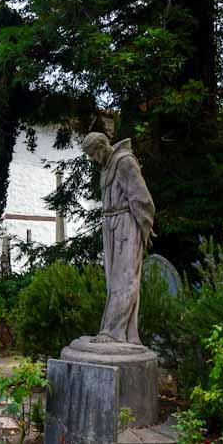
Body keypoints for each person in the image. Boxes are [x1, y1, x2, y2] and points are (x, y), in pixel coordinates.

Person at [82, 133, 155, 345]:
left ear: (103, 146)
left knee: (126, 278)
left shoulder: (125, 162)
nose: (93, 159)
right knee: (114, 282)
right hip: (110, 225)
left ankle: (113, 332)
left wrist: (144, 226)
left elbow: (142, 198)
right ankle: (125, 333)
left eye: (94, 153)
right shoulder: (106, 166)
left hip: (127, 222)